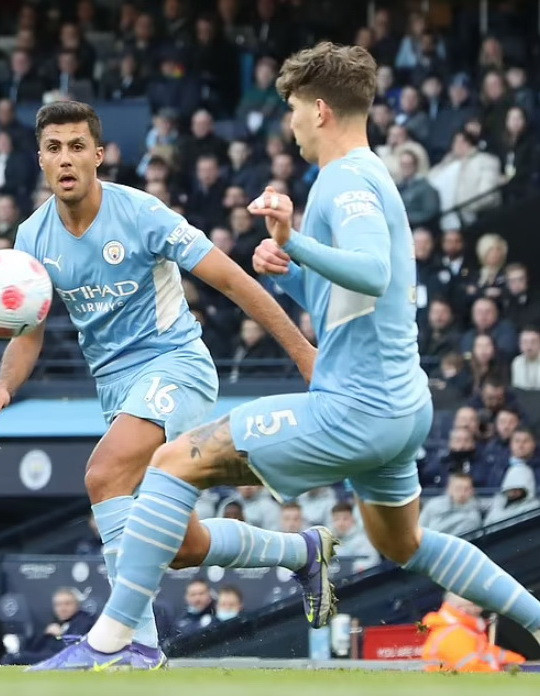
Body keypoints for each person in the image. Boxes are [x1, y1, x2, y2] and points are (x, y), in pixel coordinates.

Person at [36, 43, 540, 671]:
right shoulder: (372, 173)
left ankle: (115, 644)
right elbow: (352, 297)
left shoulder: (344, 178)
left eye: (296, 110)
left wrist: (296, 241)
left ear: (321, 110)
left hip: (357, 407)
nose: (292, 124)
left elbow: (374, 272)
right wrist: (291, 269)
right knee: (404, 542)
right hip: (400, 402)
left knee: (170, 465)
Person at [0, 101, 314, 670]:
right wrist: (4, 385)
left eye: (77, 146)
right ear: (39, 159)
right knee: (181, 548)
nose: (66, 158)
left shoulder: (141, 213)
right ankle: (302, 551)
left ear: (98, 155)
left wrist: (305, 355)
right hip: (118, 393)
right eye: (54, 148)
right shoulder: (32, 236)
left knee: (103, 474)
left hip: (175, 366)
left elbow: (232, 280)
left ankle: (137, 647)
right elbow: (28, 335)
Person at [421, 593, 525, 672]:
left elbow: (487, 653)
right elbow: (472, 669)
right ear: (462, 609)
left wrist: (520, 663)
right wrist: (504, 673)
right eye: (475, 605)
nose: (480, 609)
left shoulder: (462, 631)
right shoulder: (455, 634)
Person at [418, 473, 483, 536]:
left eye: (466, 489)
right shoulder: (433, 504)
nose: (462, 493)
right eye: (458, 488)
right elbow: (419, 528)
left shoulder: (473, 518)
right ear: (449, 489)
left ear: (472, 491)